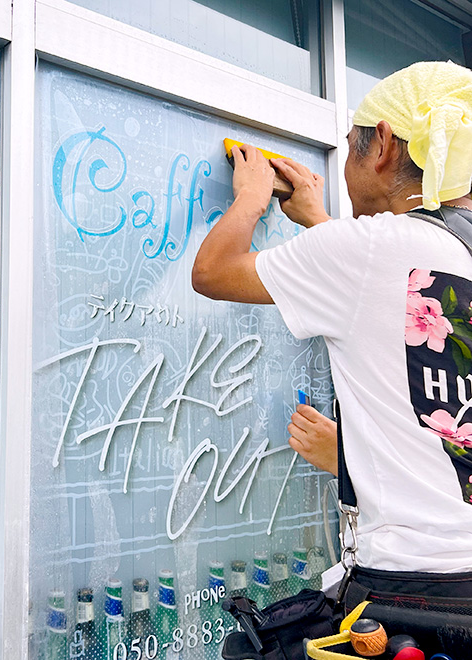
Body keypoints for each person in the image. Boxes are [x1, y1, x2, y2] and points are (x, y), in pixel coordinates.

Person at [192, 61, 472, 609]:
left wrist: (251, 196)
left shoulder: (370, 250)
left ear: (383, 145)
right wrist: (321, 222)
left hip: (412, 588)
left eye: (348, 147)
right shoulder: (449, 251)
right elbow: (390, 298)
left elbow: (212, 272)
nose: (343, 165)